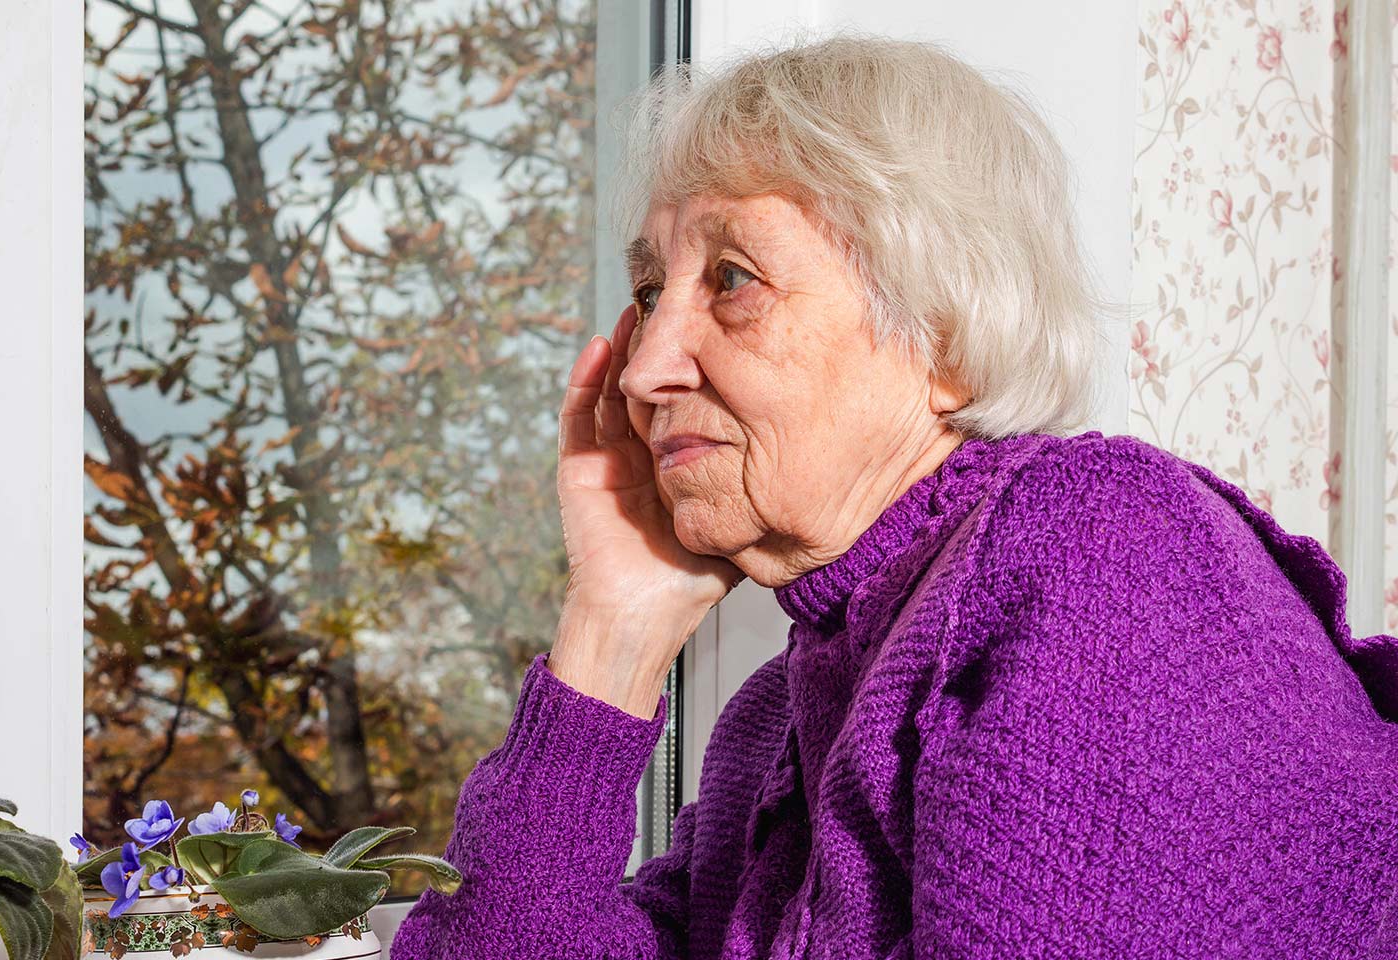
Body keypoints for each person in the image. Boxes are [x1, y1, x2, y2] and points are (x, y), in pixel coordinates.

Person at [388, 32, 1398, 959]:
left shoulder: (1101, 548)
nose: (647, 366)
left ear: (944, 341)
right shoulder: (775, 718)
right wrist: (614, 628)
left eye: (732, 279)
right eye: (651, 292)